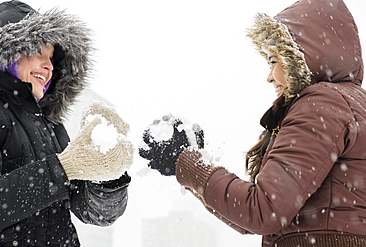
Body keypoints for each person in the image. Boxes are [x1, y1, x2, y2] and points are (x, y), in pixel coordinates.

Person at [139, 0, 366, 246]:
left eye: (273, 61)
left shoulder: (321, 105)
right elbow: (257, 218)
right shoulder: (349, 105)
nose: (269, 77)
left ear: (302, 57)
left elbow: (263, 211)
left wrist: (187, 161)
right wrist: (190, 165)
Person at [0, 1, 133, 246]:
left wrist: (108, 172)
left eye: (51, 57)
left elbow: (95, 214)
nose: (49, 66)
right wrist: (63, 168)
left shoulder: (50, 124)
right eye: (38, 52)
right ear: (7, 55)